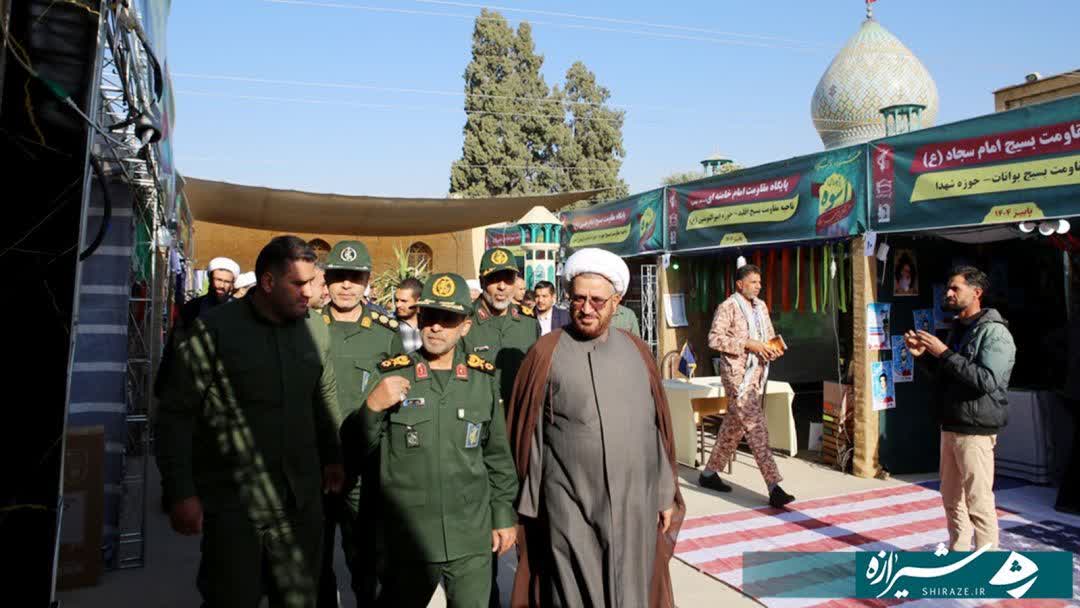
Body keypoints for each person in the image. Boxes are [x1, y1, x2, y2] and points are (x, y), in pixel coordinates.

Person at [155, 236, 343, 607]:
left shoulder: (317, 329)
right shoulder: (214, 330)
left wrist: (334, 455)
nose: (310, 293)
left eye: (312, 282)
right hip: (235, 506)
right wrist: (180, 491)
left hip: (300, 503)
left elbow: (325, 397)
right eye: (299, 283)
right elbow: (176, 415)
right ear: (268, 282)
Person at [507, 248, 684, 608]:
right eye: (578, 299)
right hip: (570, 504)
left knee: (632, 591)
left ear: (616, 302)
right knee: (573, 593)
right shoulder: (545, 352)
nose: (586, 308)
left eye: (597, 301)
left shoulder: (637, 352)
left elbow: (656, 430)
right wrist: (527, 506)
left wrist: (665, 493)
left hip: (634, 504)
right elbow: (526, 437)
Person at [343, 273, 518, 608]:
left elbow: (496, 456)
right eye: (430, 316)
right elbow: (356, 449)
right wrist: (372, 407)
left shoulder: (482, 380)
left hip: (469, 536)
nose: (436, 327)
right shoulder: (392, 375)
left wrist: (502, 514)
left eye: (448, 319)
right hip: (408, 536)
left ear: (465, 326)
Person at [905, 266, 1016, 551]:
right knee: (951, 498)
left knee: (978, 501)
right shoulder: (958, 328)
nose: (949, 293)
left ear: (977, 293)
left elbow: (986, 380)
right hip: (951, 424)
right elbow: (950, 374)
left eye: (956, 288)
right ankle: (959, 553)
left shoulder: (995, 333)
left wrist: (943, 353)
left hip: (975, 430)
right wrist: (924, 357)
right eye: (948, 288)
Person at [318, 240, 404, 606]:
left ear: (367, 281)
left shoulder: (386, 332)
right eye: (339, 276)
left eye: (354, 278)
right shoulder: (308, 327)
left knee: (367, 559)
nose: (346, 285)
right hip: (315, 462)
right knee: (314, 560)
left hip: (365, 465)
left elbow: (401, 398)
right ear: (327, 280)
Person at [461, 247, 538, 606]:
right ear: (483, 282)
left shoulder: (528, 323)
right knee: (485, 533)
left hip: (521, 438)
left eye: (508, 279)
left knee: (527, 527)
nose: (502, 287)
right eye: (494, 280)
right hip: (481, 441)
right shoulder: (466, 324)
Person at [698, 263, 795, 508]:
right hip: (737, 377)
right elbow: (714, 339)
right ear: (740, 284)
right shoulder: (728, 306)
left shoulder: (761, 306)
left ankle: (708, 474)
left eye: (759, 282)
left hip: (756, 375)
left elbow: (768, 336)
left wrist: (772, 348)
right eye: (753, 282)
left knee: (733, 427)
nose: (758, 286)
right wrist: (748, 344)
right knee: (755, 426)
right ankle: (774, 487)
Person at [395, 277, 424, 354]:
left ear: (419, 301)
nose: (398, 305)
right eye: (396, 300)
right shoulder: (388, 325)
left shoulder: (430, 325)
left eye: (404, 301)